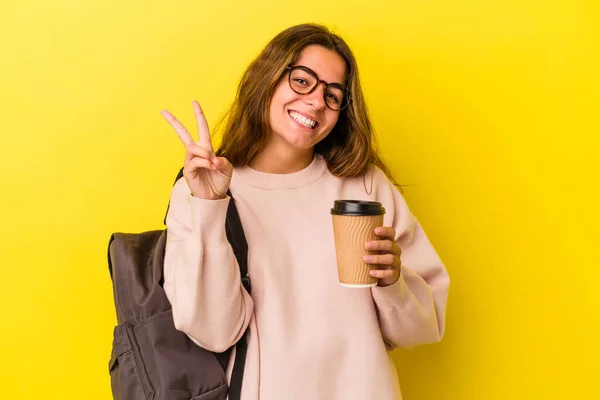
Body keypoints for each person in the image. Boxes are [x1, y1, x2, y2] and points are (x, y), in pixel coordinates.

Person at [160, 23, 449, 400]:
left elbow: (421, 329)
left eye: (333, 95)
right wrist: (211, 207)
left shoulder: (364, 186)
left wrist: (392, 281)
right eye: (302, 81)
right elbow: (214, 331)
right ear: (268, 78)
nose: (316, 101)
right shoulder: (199, 191)